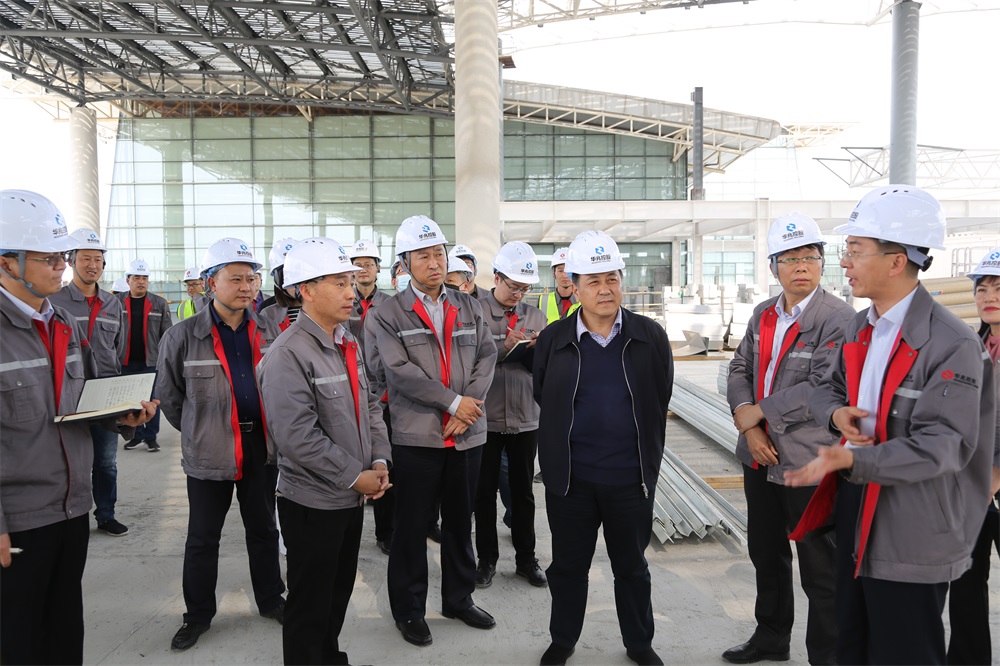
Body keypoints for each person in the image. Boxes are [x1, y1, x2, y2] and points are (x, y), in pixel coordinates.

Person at [786, 185, 995, 666]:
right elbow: (826, 389)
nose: (844, 263)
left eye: (855, 250)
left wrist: (853, 460)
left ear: (897, 261)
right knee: (851, 646)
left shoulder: (952, 344)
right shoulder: (861, 327)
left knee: (905, 652)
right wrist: (835, 414)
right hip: (858, 509)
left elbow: (945, 444)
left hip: (913, 525)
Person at [0, 190, 157, 665]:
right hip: (19, 519)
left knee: (64, 631)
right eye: (48, 258)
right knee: (16, 639)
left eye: (61, 257)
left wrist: (120, 415)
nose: (61, 267)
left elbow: (84, 397)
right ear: (7, 262)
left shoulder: (63, 322)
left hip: (71, 508)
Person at [532, 230, 673, 666]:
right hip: (570, 481)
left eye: (612, 278)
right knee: (568, 567)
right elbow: (544, 395)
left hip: (630, 480)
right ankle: (563, 639)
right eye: (593, 281)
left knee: (631, 567)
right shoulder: (554, 339)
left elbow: (659, 397)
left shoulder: (649, 336)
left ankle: (639, 644)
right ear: (574, 286)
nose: (605, 289)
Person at [723, 214, 853, 665]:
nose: (802, 266)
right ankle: (771, 638)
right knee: (766, 553)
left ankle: (828, 656)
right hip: (759, 455)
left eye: (810, 258)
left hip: (807, 460)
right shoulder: (764, 313)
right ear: (773, 265)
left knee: (820, 566)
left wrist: (759, 413)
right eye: (791, 258)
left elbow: (822, 386)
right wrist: (749, 424)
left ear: (823, 263)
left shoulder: (838, 318)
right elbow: (740, 367)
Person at [258, 238, 391, 665]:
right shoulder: (287, 354)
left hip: (350, 497)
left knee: (336, 594)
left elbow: (370, 406)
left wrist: (379, 461)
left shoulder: (347, 340)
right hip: (312, 503)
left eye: (351, 281)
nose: (352, 291)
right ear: (307, 290)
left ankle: (328, 656)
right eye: (340, 282)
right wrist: (355, 476)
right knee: (309, 605)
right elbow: (297, 436)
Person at [369, 215, 497, 647]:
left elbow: (487, 356)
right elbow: (397, 371)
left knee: (461, 522)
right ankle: (409, 610)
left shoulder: (469, 306)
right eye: (422, 256)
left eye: (439, 253)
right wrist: (452, 403)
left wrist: (468, 406)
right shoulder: (387, 314)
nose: (434, 262)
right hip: (418, 437)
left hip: (467, 435)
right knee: (410, 527)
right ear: (405, 263)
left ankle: (459, 599)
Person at [156, 237, 287, 651]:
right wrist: (201, 430)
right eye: (236, 279)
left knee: (264, 529)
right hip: (209, 452)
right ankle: (197, 615)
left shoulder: (270, 330)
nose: (247, 287)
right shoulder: (182, 336)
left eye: (251, 279)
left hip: (261, 449)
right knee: (202, 538)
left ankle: (271, 599)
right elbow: (170, 399)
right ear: (212, 283)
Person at [474, 241, 548, 589]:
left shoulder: (536, 316)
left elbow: (543, 369)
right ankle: (486, 560)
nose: (518, 293)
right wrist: (502, 346)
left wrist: (538, 350)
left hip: (525, 418)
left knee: (523, 495)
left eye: (524, 288)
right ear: (497, 278)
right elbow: (468, 359)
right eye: (514, 286)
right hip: (484, 418)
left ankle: (526, 559)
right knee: (484, 495)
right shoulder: (474, 312)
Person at [50, 229, 131, 537]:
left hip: (105, 393)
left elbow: (118, 349)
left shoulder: (113, 304)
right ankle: (69, 516)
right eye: (85, 258)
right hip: (66, 392)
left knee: (106, 461)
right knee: (68, 460)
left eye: (97, 259)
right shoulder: (54, 300)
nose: (92, 265)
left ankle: (106, 514)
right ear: (71, 261)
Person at [946, 248, 1000, 665]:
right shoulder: (973, 346)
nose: (988, 296)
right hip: (971, 486)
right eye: (982, 288)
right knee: (964, 580)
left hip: (991, 484)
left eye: (998, 287)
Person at [348, 239, 396, 555]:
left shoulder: (391, 305)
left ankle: (386, 532)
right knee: (352, 462)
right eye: (357, 264)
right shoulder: (340, 300)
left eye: (369, 263)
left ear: (378, 269)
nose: (363, 269)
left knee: (384, 461)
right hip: (347, 395)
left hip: (384, 397)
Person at [119, 257, 172, 452]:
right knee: (130, 401)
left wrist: (165, 360)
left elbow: (167, 335)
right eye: (136, 277)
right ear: (128, 280)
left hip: (150, 362)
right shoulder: (116, 302)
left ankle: (151, 437)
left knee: (151, 400)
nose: (141, 281)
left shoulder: (159, 303)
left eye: (144, 278)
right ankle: (135, 435)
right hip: (124, 361)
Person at [258, 237, 301, 331]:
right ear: (278, 280)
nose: (297, 282)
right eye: (289, 275)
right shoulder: (267, 312)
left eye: (301, 273)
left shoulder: (326, 308)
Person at [543, 247, 580, 324]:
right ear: (554, 273)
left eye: (568, 271)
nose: (565, 275)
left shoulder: (584, 300)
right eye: (560, 271)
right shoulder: (543, 301)